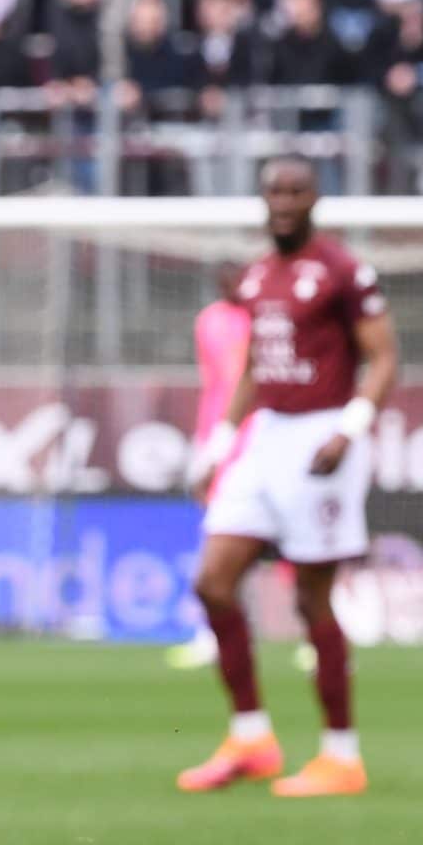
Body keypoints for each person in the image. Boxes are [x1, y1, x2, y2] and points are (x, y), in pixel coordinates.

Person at [179, 159, 401, 800]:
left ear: (314, 199)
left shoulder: (343, 270)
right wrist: (219, 446)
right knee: (213, 583)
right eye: (274, 190)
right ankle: (251, 737)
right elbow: (254, 369)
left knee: (311, 599)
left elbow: (384, 357)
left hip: (323, 436)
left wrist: (350, 429)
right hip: (267, 435)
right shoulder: (256, 276)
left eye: (295, 191)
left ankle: (341, 754)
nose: (283, 201)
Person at [163, 266, 253, 671]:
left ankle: (318, 636)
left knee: (293, 539)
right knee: (217, 536)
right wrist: (207, 443)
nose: (231, 283)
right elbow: (215, 384)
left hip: (264, 437)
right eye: (226, 276)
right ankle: (210, 634)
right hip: (220, 437)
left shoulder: (269, 318)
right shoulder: (209, 321)